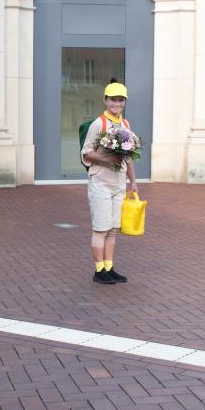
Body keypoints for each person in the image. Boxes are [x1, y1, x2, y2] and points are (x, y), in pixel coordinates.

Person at [80, 79, 138, 284]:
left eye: (120, 100)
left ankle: (109, 266)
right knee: (101, 228)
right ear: (105, 100)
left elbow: (129, 156)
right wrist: (107, 159)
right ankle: (98, 271)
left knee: (113, 229)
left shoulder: (125, 124)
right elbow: (86, 153)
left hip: (119, 184)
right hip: (101, 183)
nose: (117, 104)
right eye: (113, 99)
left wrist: (133, 180)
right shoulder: (99, 124)